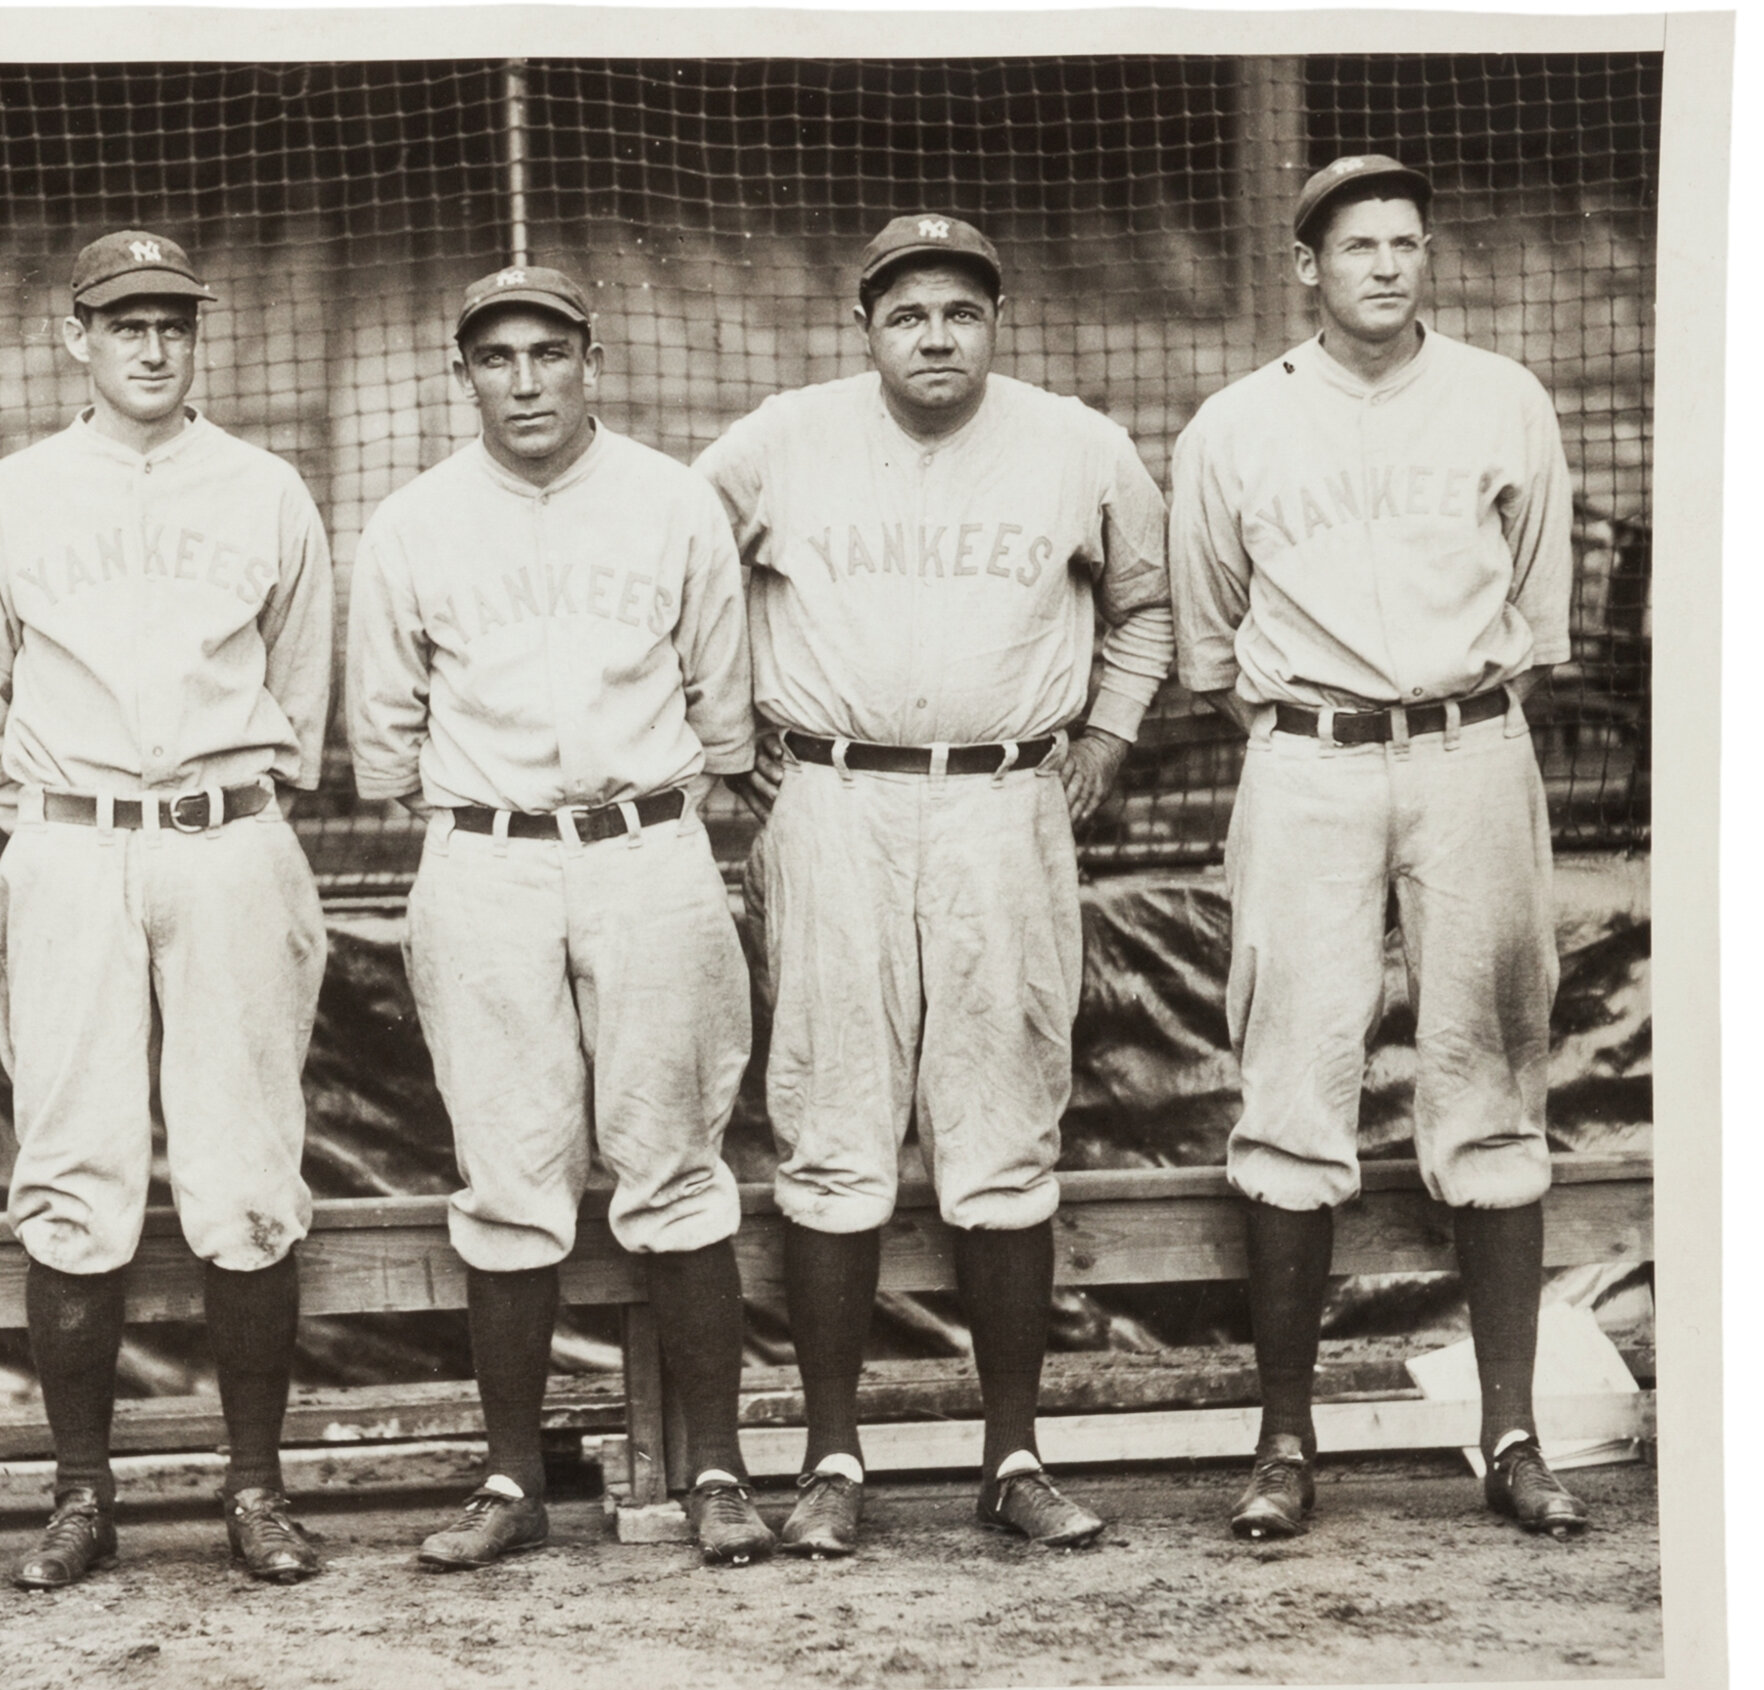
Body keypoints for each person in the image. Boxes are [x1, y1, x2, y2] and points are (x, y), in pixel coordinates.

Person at [694, 215, 1173, 1558]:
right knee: (834, 1123)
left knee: (1004, 1121)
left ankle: (1012, 1455)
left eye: (962, 310)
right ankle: (832, 1457)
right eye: (908, 314)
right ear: (867, 328)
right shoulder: (782, 437)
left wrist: (1109, 734)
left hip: (1005, 799)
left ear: (997, 320)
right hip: (834, 797)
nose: (936, 336)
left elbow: (1147, 604)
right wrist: (727, 741)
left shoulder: (1075, 442)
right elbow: (680, 569)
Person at [1170, 155, 1588, 1541]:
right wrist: (1322, 717)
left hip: (1473, 748)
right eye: (1360, 246)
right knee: (1294, 1080)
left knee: (1491, 1081)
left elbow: (1537, 608)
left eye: (1409, 241)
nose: (1390, 266)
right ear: (1309, 267)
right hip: (1307, 759)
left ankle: (1513, 1431)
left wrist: (1444, 713)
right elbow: (1213, 639)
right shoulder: (1234, 424)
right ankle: (1286, 1439)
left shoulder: (1503, 398)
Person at [347, 262, 771, 1570]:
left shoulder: (671, 500)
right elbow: (381, 739)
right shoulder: (412, 522)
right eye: (496, 356)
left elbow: (725, 706)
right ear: (460, 372)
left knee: (678, 1165)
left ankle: (714, 1468)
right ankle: (510, 1478)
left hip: (648, 844)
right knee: (510, 1173)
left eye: (547, 352)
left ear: (591, 359)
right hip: (486, 856)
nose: (523, 379)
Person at [0, 231, 336, 1589]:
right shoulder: (8, 496)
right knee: (76, 1167)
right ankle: (81, 1492)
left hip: (227, 838)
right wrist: (72, 821)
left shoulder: (267, 487)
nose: (151, 345)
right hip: (71, 845)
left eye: (171, 320)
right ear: (76, 338)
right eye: (124, 323)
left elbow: (303, 695)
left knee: (244, 1167)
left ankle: (258, 1489)